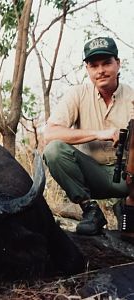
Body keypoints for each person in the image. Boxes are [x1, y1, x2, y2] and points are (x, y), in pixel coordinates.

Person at [43, 36, 134, 236]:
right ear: (87, 69)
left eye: (106, 63)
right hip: (91, 176)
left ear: (118, 64)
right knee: (54, 150)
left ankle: (126, 207)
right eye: (94, 65)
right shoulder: (77, 94)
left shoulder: (131, 97)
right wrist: (100, 134)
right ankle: (91, 210)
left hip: (127, 179)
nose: (100, 71)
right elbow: (50, 133)